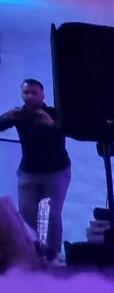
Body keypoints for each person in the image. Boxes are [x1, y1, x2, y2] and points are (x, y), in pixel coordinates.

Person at [0, 79, 72, 261]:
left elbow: (68, 132)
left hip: (56, 171)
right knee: (26, 214)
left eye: (34, 93)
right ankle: (31, 254)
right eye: (26, 93)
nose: (30, 96)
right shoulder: (20, 115)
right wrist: (5, 118)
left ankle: (52, 255)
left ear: (42, 95)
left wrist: (51, 124)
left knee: (51, 215)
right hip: (29, 172)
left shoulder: (54, 114)